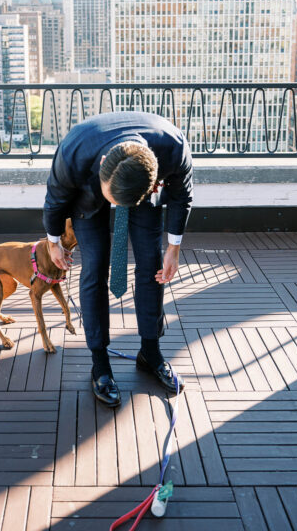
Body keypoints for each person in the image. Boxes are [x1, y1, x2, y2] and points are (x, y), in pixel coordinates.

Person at [43, 111, 193, 408]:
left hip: (140, 186)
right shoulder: (74, 152)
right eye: (113, 200)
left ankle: (150, 353)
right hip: (87, 191)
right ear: (102, 165)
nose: (116, 207)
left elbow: (181, 196)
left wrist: (173, 248)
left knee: (152, 265)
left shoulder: (173, 149)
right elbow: (55, 199)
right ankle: (100, 364)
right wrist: (54, 242)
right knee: (95, 267)